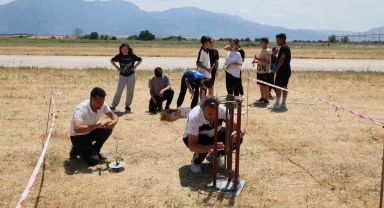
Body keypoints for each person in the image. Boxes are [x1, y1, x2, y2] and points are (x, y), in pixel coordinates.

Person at [182, 96, 243, 173]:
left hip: (214, 133)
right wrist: (212, 147)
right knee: (206, 142)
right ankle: (196, 161)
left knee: (237, 139)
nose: (214, 116)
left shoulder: (222, 110)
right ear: (202, 109)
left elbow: (238, 127)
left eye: (216, 113)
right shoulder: (195, 117)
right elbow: (192, 146)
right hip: (194, 138)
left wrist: (239, 133)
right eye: (210, 114)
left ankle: (214, 156)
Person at [69, 87, 118, 166]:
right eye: (98, 102)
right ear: (91, 99)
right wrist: (96, 126)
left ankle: (95, 151)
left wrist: (113, 122)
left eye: (102, 102)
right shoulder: (81, 109)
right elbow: (77, 128)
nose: (100, 104)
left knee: (107, 129)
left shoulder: (102, 104)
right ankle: (76, 148)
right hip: (78, 136)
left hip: (90, 132)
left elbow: (114, 116)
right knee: (94, 161)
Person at [110, 43, 143, 113]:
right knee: (119, 90)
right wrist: (117, 68)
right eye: (123, 49)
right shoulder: (119, 56)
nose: (125, 50)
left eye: (126, 49)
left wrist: (135, 67)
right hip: (122, 75)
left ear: (128, 49)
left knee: (130, 91)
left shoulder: (132, 56)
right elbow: (111, 60)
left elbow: (140, 60)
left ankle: (127, 106)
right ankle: (113, 105)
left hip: (131, 75)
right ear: (121, 49)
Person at [269, 33, 292, 110]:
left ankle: (277, 103)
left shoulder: (283, 47)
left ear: (282, 39)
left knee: (278, 86)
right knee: (284, 86)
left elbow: (282, 58)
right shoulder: (286, 47)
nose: (276, 41)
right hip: (286, 69)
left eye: (278, 39)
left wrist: (276, 68)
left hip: (282, 70)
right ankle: (283, 103)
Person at [252, 37, 271, 104]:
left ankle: (266, 99)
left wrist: (258, 59)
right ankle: (262, 97)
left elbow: (268, 62)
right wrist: (256, 61)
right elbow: (261, 60)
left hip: (265, 71)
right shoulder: (261, 50)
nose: (260, 43)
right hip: (260, 70)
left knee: (265, 85)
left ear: (265, 43)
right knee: (261, 85)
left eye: (261, 42)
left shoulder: (267, 51)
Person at [196, 36, 214, 102]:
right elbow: (198, 63)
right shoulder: (201, 51)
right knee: (203, 89)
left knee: (210, 87)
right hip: (202, 73)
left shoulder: (206, 50)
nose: (211, 43)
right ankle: (202, 103)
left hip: (207, 73)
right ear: (206, 43)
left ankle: (210, 102)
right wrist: (207, 68)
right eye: (210, 42)